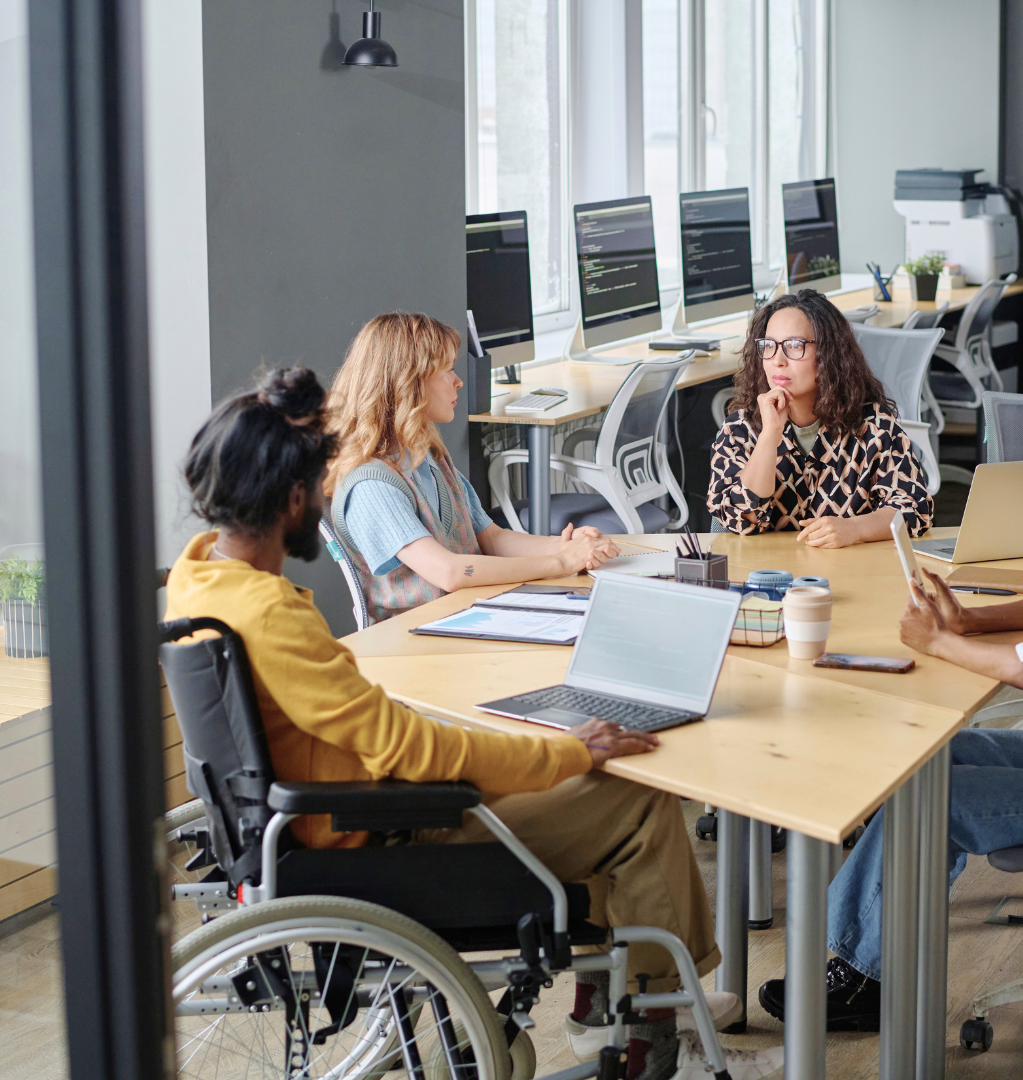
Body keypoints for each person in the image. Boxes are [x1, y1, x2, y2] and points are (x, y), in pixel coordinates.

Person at [166, 367, 782, 1080]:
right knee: (635, 794)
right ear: (294, 496)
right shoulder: (273, 613)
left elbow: (367, 728)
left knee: (599, 781)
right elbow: (409, 746)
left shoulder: (199, 578)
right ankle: (651, 1033)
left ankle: (611, 1008)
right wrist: (563, 753)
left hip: (312, 829)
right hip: (384, 837)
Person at [756, 316, 1023, 1029]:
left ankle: (862, 976)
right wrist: (968, 619)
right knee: (932, 761)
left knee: (942, 798)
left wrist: (935, 641)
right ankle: (861, 960)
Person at [325, 312, 619, 623]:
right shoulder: (370, 486)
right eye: (447, 370)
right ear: (408, 384)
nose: (459, 381)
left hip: (470, 613)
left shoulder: (428, 456)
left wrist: (566, 546)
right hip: (417, 637)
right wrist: (561, 562)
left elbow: (493, 538)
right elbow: (449, 572)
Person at [707, 289, 933, 545]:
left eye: (794, 346)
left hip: (848, 574)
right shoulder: (740, 428)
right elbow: (737, 516)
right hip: (769, 577)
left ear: (828, 353)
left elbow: (914, 510)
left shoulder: (873, 427)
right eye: (768, 346)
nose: (777, 360)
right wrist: (769, 435)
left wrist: (855, 528)